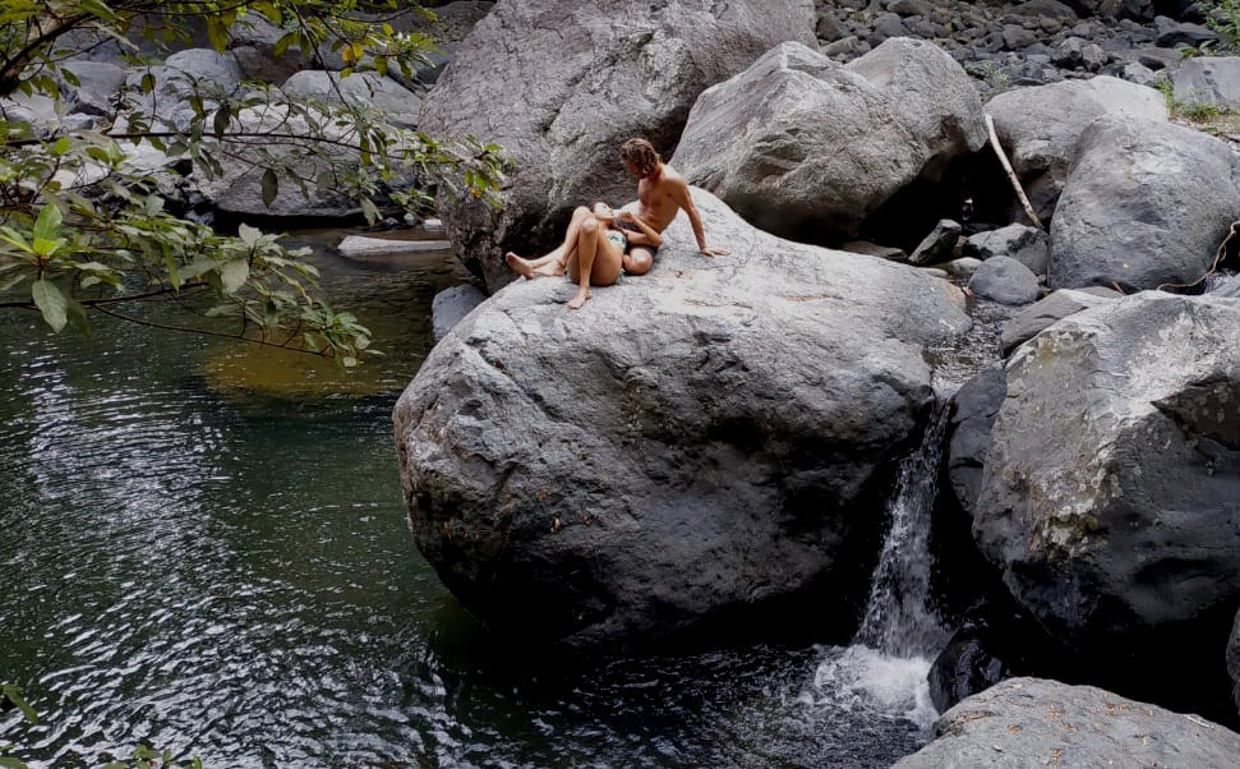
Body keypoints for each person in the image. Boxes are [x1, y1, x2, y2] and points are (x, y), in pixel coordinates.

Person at [506, 202, 663, 309]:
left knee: (588, 222)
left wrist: (634, 219)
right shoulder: (583, 227)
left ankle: (580, 285)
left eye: (610, 208)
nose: (609, 209)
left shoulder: (621, 232)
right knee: (583, 215)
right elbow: (572, 237)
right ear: (594, 212)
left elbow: (656, 240)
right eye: (604, 207)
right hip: (577, 273)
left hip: (606, 273)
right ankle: (537, 266)